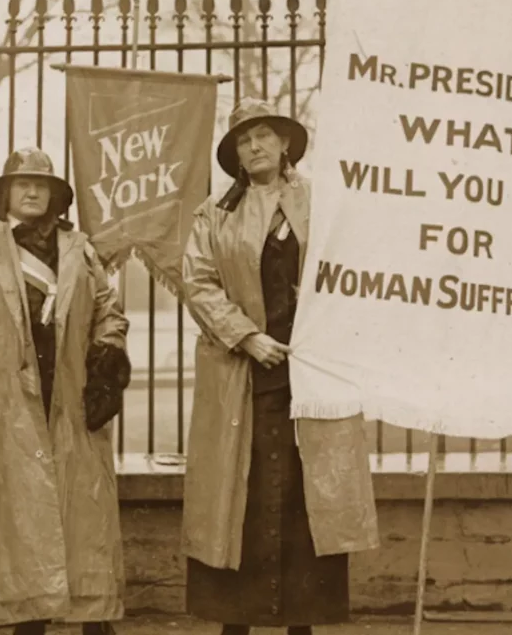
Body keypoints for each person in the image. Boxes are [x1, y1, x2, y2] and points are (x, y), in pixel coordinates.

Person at [181, 98, 379, 635]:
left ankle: (302, 622)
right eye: (244, 140)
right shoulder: (214, 214)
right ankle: (235, 622)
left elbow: (351, 271)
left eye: (265, 135)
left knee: (303, 498)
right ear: (236, 155)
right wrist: (247, 337)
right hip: (243, 376)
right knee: (240, 497)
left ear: (286, 144)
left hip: (310, 376)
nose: (255, 146)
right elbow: (197, 283)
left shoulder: (322, 203)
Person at [0, 147, 131, 635]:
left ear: (55, 194)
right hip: (7, 397)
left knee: (83, 508)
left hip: (72, 391)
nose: (31, 191)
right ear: (4, 193)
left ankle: (93, 617)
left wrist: (107, 357)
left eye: (41, 184)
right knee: (17, 510)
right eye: (21, 183)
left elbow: (108, 310)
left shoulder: (81, 249)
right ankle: (26, 617)